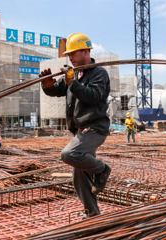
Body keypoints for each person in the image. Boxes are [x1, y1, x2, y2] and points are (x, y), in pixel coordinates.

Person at [39, 33, 111, 218]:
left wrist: (72, 82)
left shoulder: (98, 73)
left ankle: (102, 170)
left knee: (70, 154)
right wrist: (47, 85)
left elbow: (92, 96)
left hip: (94, 128)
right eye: (69, 54)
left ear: (86, 51)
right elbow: (57, 90)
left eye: (74, 53)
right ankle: (92, 214)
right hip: (79, 131)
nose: (70, 57)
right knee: (79, 178)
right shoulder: (73, 74)